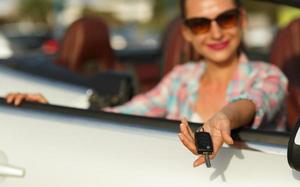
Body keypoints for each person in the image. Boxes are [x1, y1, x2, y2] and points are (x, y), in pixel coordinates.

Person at [5, 0, 287, 167]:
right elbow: (126, 113)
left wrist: (225, 117)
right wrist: (52, 108)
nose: (215, 33)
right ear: (186, 34)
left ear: (242, 21)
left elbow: (256, 99)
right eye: (200, 24)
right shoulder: (181, 78)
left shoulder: (269, 75)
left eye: (225, 19)